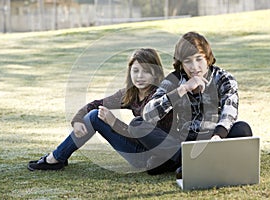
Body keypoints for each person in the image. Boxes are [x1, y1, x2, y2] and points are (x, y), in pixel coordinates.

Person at [128, 31, 253, 177]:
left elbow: (229, 111)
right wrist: (183, 89)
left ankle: (183, 162)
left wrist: (218, 136)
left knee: (243, 129)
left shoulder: (224, 78)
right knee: (137, 124)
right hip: (184, 142)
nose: (194, 67)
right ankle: (193, 161)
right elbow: (148, 114)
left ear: (208, 59)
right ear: (181, 64)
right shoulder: (173, 80)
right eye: (187, 61)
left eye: (199, 59)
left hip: (215, 138)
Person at [27, 48, 165, 171]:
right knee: (94, 115)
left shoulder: (160, 98)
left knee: (97, 117)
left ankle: (54, 159)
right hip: (140, 149)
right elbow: (96, 104)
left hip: (151, 157)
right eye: (135, 70)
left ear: (156, 74)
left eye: (146, 71)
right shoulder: (132, 93)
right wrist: (77, 120)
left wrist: (114, 123)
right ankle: (58, 157)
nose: (139, 76)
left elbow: (150, 138)